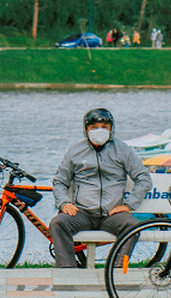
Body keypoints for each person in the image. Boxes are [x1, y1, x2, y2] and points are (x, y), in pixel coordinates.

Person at [49, 107, 150, 267]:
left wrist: (128, 205)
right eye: (94, 127)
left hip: (111, 214)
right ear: (86, 129)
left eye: (104, 127)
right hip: (82, 213)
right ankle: (67, 271)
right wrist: (64, 203)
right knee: (58, 223)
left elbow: (143, 178)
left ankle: (115, 270)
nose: (99, 131)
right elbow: (60, 181)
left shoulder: (122, 150)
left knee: (133, 226)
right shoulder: (75, 151)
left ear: (111, 128)